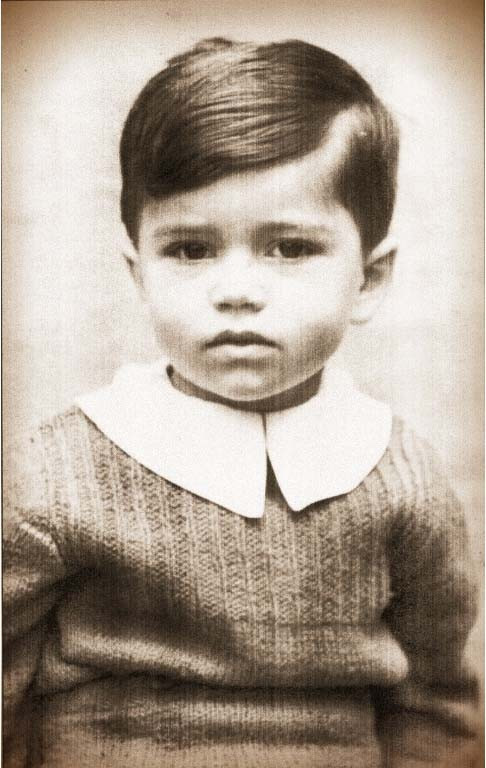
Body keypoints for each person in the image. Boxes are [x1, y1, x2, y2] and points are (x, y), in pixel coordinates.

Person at [4, 37, 479, 768]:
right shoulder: (58, 473)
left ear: (371, 278)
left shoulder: (400, 475)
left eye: (289, 248)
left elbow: (435, 703)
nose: (236, 289)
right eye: (190, 250)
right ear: (140, 271)